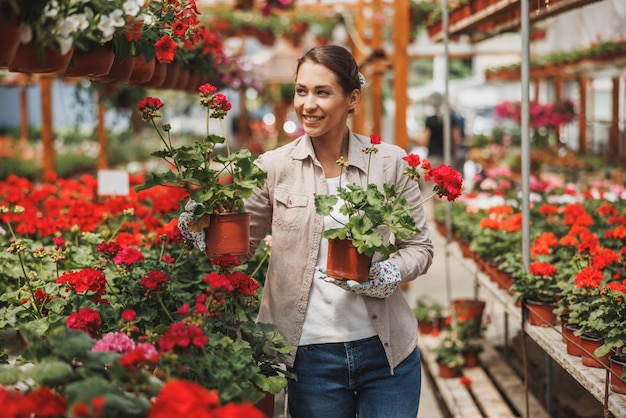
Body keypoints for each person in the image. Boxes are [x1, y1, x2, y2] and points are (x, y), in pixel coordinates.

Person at [242, 45, 434, 418]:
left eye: (322, 92)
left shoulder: (391, 163)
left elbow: (419, 246)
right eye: (301, 91)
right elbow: (238, 247)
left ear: (352, 99)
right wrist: (203, 221)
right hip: (311, 359)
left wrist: (388, 272)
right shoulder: (273, 167)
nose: (308, 104)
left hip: (388, 355)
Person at [412, 92, 461, 169]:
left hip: (434, 157)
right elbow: (457, 140)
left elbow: (424, 141)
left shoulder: (430, 120)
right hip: (449, 157)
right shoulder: (450, 119)